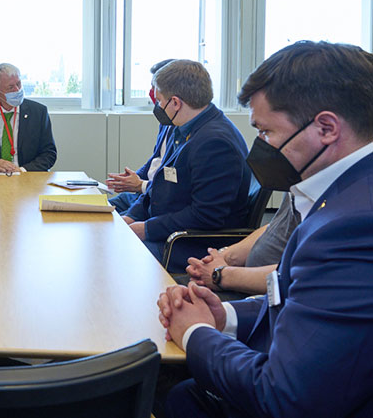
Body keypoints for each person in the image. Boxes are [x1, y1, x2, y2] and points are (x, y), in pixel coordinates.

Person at [157, 41, 373, 418]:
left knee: (166, 387)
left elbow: (282, 396)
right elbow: (300, 299)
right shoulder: (344, 192)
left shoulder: (352, 226)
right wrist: (227, 317)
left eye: (267, 132)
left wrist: (195, 333)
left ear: (326, 128)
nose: (262, 146)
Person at [122, 60, 251, 271]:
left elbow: (206, 216)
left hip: (191, 243)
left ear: (175, 102)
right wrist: (132, 216)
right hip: (172, 227)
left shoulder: (215, 143)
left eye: (160, 100)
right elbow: (160, 185)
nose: (157, 106)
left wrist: (146, 228)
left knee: (117, 253)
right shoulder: (186, 127)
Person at [180, 192, 301, 301]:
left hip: (267, 297)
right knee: (172, 292)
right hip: (239, 279)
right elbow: (277, 226)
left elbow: (298, 275)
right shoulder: (300, 187)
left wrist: (221, 275)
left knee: (177, 305)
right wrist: (224, 257)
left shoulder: (318, 206)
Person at [107, 59, 175, 213]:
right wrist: (132, 178)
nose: (152, 92)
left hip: (154, 198)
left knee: (109, 222)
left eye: (154, 87)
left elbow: (173, 188)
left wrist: (140, 184)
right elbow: (155, 161)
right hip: (142, 194)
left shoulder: (186, 128)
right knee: (96, 210)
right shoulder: (165, 121)